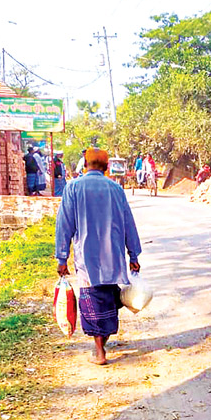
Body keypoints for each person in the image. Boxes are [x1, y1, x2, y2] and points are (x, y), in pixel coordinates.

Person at [55, 148, 142, 365]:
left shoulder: (73, 187)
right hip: (113, 257)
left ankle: (99, 350)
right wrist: (133, 254)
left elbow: (64, 225)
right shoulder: (115, 189)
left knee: (92, 302)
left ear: (85, 163)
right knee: (109, 301)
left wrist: (62, 257)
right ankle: (103, 343)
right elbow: (128, 223)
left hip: (87, 259)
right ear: (106, 166)